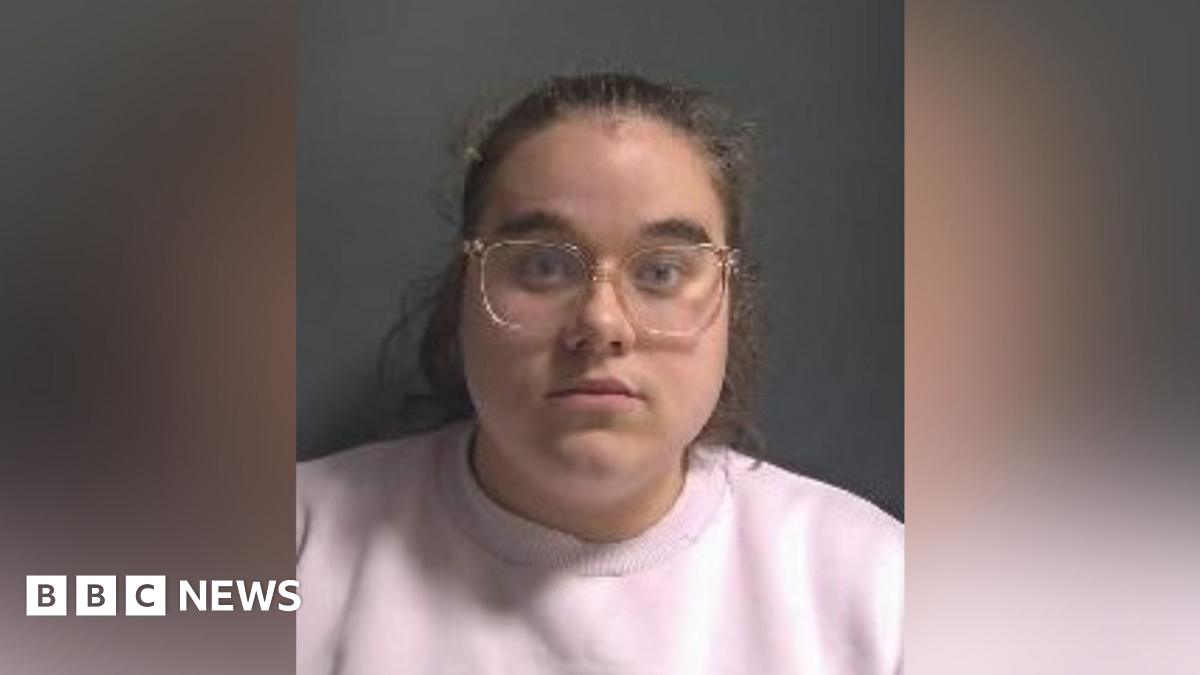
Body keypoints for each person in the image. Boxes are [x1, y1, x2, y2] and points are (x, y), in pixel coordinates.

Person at [297, 72, 903, 674]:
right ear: (465, 292)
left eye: (661, 272)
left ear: (731, 304)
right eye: (543, 266)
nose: (601, 322)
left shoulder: (880, 588)